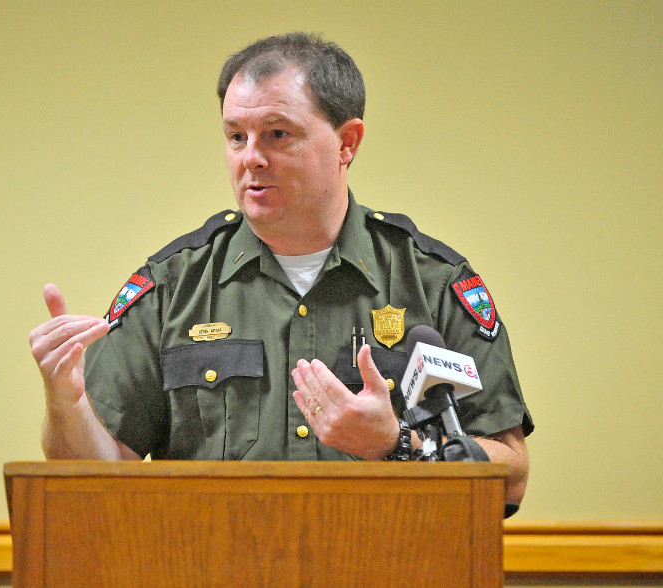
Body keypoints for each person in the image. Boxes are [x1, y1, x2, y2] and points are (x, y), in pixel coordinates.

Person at [29, 32, 532, 505]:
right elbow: (96, 476)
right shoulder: (172, 286)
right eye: (235, 136)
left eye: (276, 134)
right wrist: (66, 401)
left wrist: (398, 443)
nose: (251, 158)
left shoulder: (433, 281)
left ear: (347, 143)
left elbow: (511, 476)